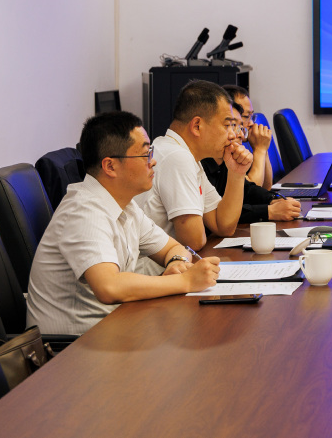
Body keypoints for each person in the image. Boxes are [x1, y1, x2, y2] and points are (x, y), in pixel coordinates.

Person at [26, 112, 220, 335]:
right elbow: (109, 287)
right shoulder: (84, 211)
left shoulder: (125, 206)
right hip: (73, 346)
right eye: (145, 154)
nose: (153, 161)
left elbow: (173, 247)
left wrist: (177, 263)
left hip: (116, 327)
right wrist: (185, 281)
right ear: (110, 166)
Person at [135, 80, 252, 252]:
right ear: (197, 126)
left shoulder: (183, 153)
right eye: (227, 125)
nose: (233, 135)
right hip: (157, 268)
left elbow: (223, 225)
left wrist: (237, 173)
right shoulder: (176, 157)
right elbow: (193, 242)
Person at [202, 100, 301, 224]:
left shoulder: (225, 156)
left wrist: (273, 199)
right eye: (230, 125)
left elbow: (249, 188)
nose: (239, 134)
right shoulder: (200, 162)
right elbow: (222, 213)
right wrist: (269, 211)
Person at [222, 84, 274, 191]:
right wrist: (260, 150)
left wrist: (262, 148)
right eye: (246, 116)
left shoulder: (239, 146)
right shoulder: (223, 149)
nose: (251, 123)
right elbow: (251, 191)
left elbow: (266, 187)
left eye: (252, 117)